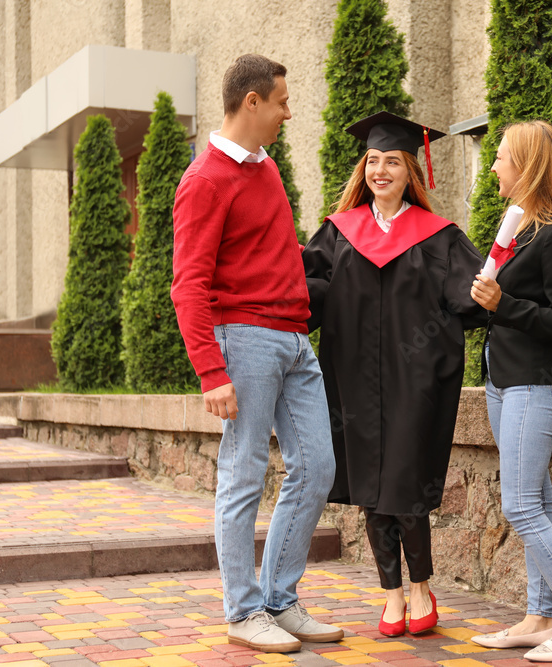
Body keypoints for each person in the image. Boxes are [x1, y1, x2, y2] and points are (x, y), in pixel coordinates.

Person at [170, 54, 343, 654]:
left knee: (318, 466)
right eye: (282, 102)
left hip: (295, 340)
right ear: (251, 102)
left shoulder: (264, 169)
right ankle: (243, 611)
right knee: (243, 472)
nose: (288, 112)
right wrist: (210, 371)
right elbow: (188, 283)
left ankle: (279, 598)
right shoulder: (205, 180)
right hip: (241, 340)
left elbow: (266, 249)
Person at [304, 111, 487, 638]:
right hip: (355, 380)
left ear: (411, 170)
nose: (380, 171)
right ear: (364, 170)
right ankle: (391, 594)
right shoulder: (339, 232)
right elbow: (307, 292)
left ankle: (422, 588)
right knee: (370, 484)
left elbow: (474, 296)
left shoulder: (438, 236)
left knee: (403, 482)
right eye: (373, 161)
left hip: (416, 380)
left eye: (391, 162)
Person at [468, 119, 552, 662]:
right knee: (537, 501)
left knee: (521, 506)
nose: (494, 165)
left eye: (500, 157)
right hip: (504, 381)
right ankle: (540, 616)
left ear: (527, 166)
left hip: (535, 384)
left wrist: (505, 305)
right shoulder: (520, 229)